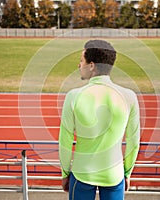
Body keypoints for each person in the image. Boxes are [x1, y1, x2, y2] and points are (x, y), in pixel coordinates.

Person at [59, 40, 140, 200]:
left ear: (91, 65)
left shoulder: (73, 96)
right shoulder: (129, 96)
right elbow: (133, 141)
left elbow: (65, 140)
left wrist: (65, 173)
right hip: (114, 175)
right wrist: (127, 172)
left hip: (82, 173)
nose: (78, 65)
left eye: (81, 61)